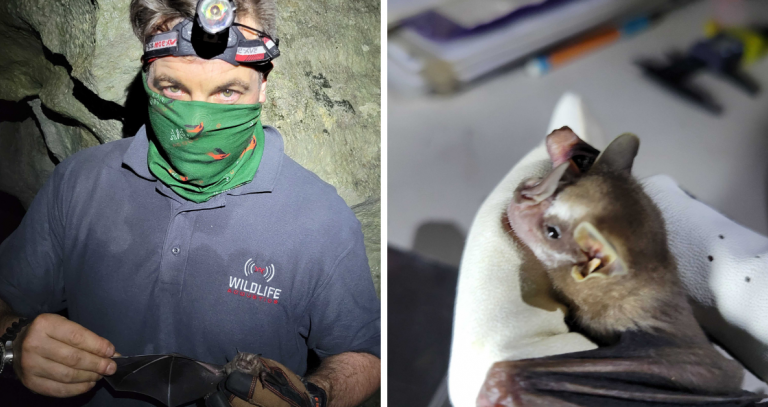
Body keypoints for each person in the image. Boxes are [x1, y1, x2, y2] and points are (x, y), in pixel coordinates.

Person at [0, 1, 381, 406]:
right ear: (147, 77)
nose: (196, 124)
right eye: (174, 89)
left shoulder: (321, 217)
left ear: (263, 83)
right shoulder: (80, 181)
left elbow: (365, 355)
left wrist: (316, 397)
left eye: (227, 92)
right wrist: (12, 341)